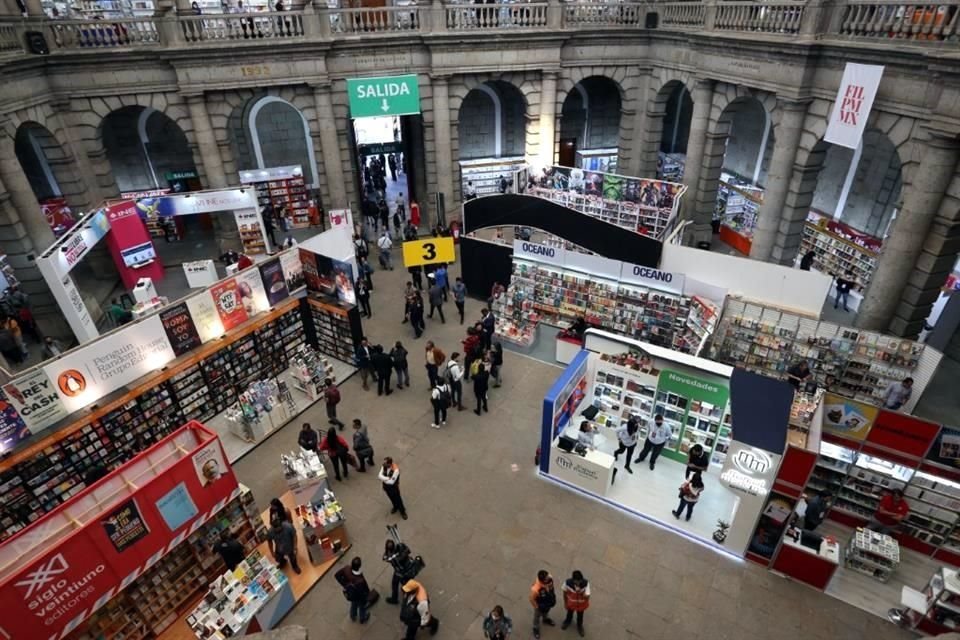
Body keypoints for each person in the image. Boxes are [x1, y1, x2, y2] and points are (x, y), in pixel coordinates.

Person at [335, 557, 372, 623]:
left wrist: (345, 584)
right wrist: (367, 596)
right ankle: (362, 618)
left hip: (351, 594)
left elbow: (337, 575)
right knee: (362, 606)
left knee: (353, 604)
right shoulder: (360, 580)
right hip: (359, 596)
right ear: (359, 566)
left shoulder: (346, 568)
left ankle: (353, 616)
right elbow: (364, 591)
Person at [561, 570, 590, 636]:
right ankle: (567, 622)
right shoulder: (567, 583)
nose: (579, 583)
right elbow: (564, 593)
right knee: (569, 614)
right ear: (573, 580)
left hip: (581, 605)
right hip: (571, 604)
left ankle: (579, 626)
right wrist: (565, 603)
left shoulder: (586, 583)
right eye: (577, 581)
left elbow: (587, 597)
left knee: (580, 616)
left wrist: (580, 592)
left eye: (580, 581)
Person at [530, 570, 556, 639]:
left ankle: (545, 619)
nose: (549, 578)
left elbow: (551, 586)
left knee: (546, 612)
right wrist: (537, 607)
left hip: (548, 600)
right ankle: (535, 628)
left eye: (548, 576)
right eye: (546, 578)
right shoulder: (536, 589)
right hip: (540, 603)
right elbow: (531, 599)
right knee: (537, 617)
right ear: (542, 581)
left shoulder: (549, 578)